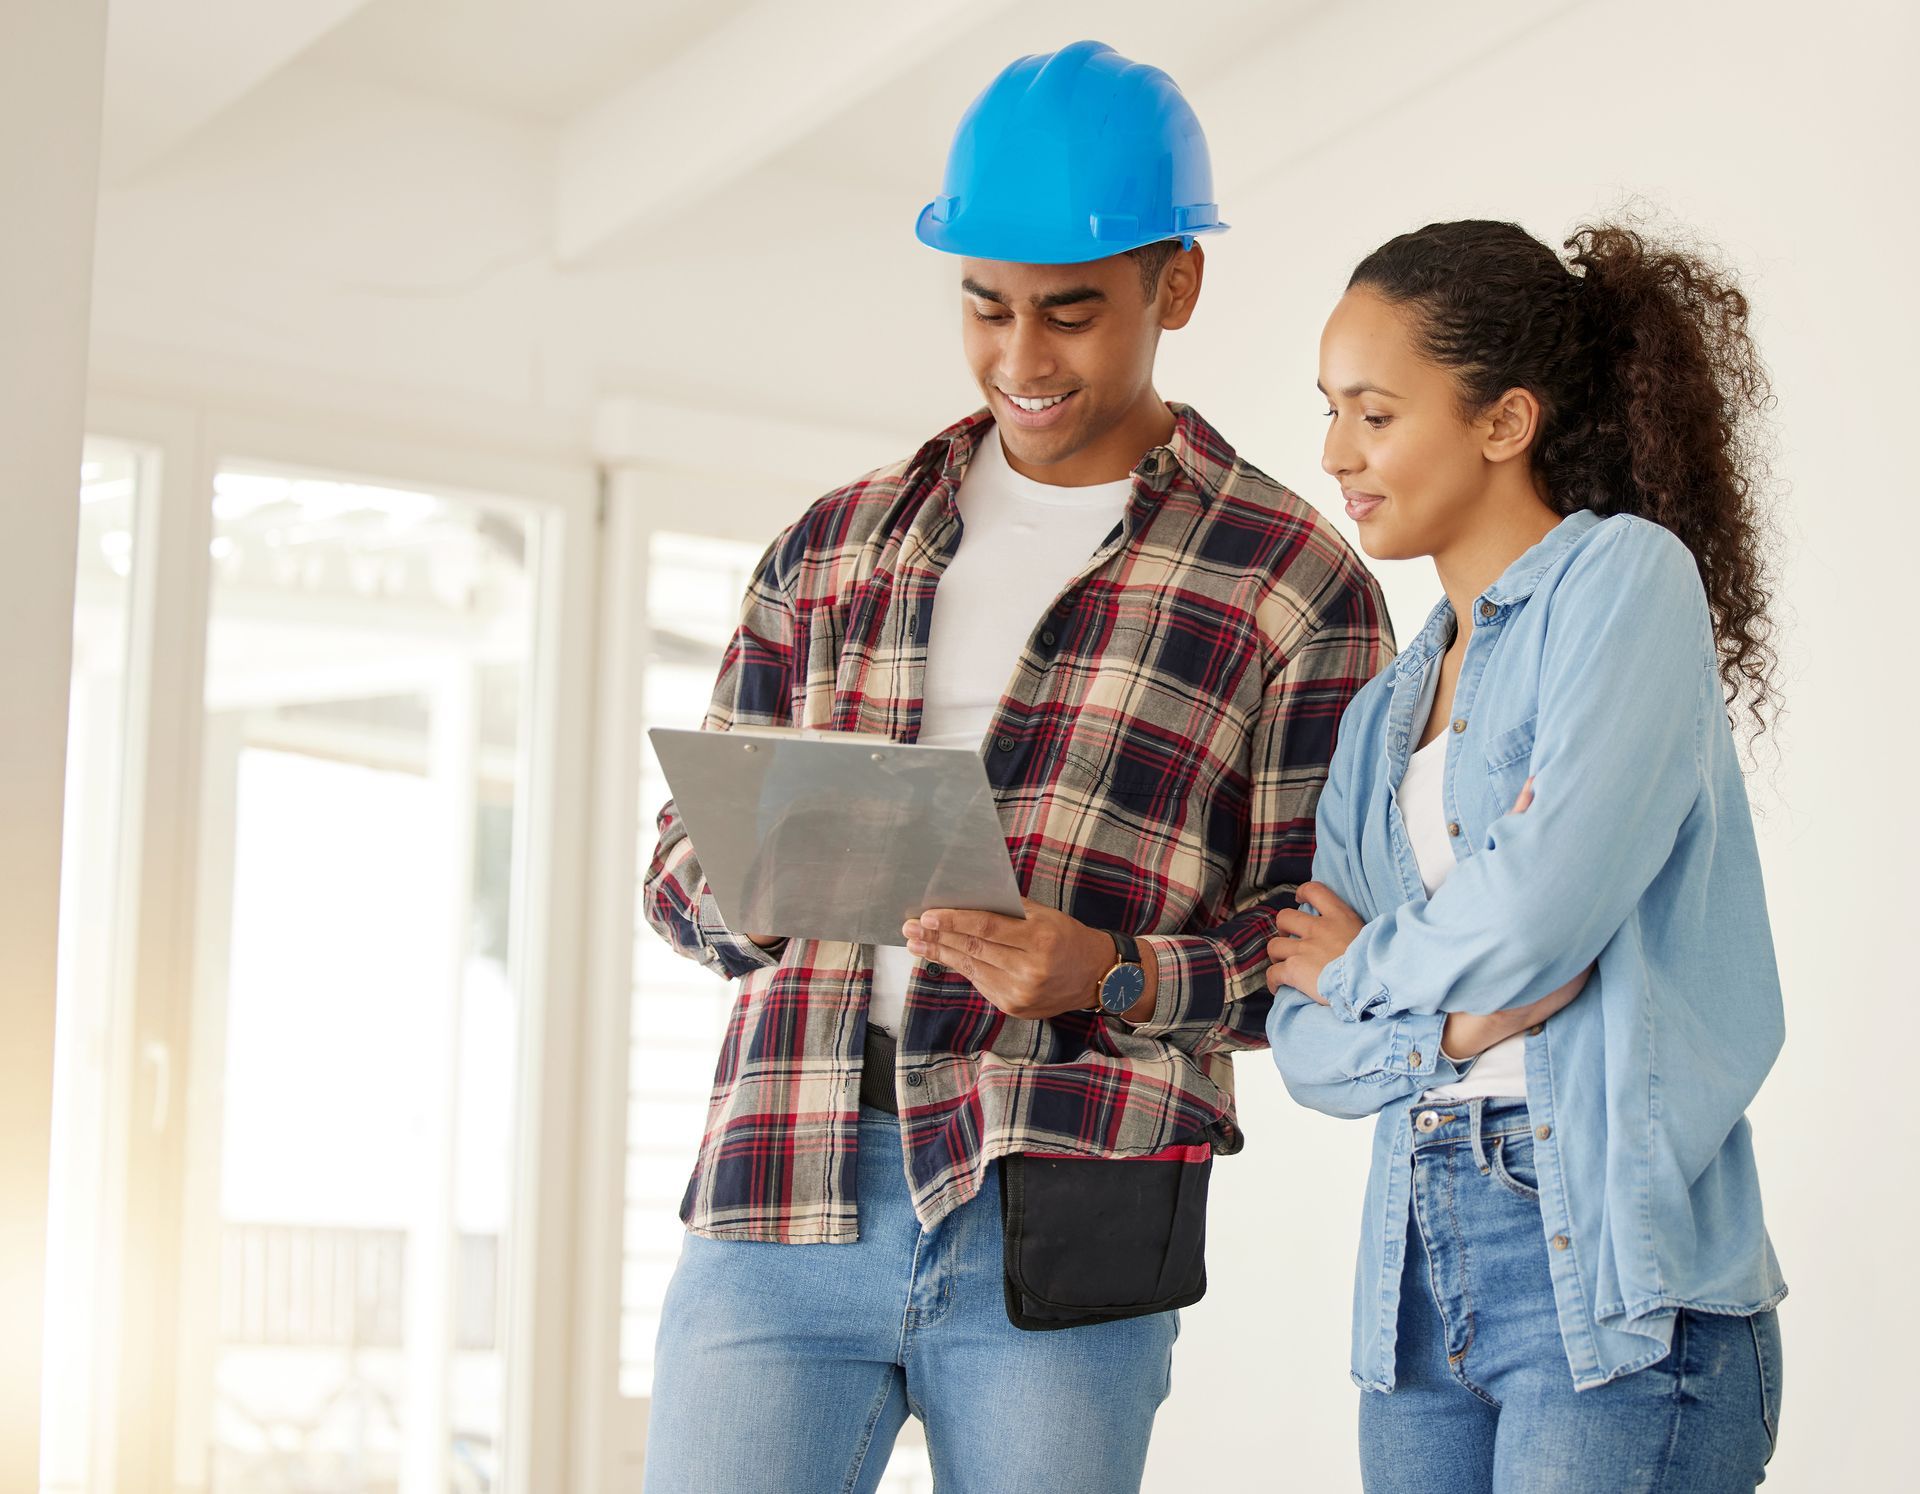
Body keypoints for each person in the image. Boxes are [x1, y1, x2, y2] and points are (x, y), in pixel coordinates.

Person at [639, 40, 1392, 1494]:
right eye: (985, 307)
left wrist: (1106, 971)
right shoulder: (836, 541)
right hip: (786, 1178)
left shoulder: (1290, 584)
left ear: (1175, 288)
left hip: (1068, 1201)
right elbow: (677, 876)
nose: (1022, 360)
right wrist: (770, 867)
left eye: (1070, 314)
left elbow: (1316, 946)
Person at [1266, 218, 1787, 1491]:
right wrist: (1450, 1029)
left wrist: (1367, 967)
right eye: (1331, 412)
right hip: (1415, 1279)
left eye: (1375, 415)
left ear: (1504, 423)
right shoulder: (1386, 708)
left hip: (1613, 1285)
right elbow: (1302, 1039)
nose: (1338, 455)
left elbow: (1540, 913)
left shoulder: (1624, 582)